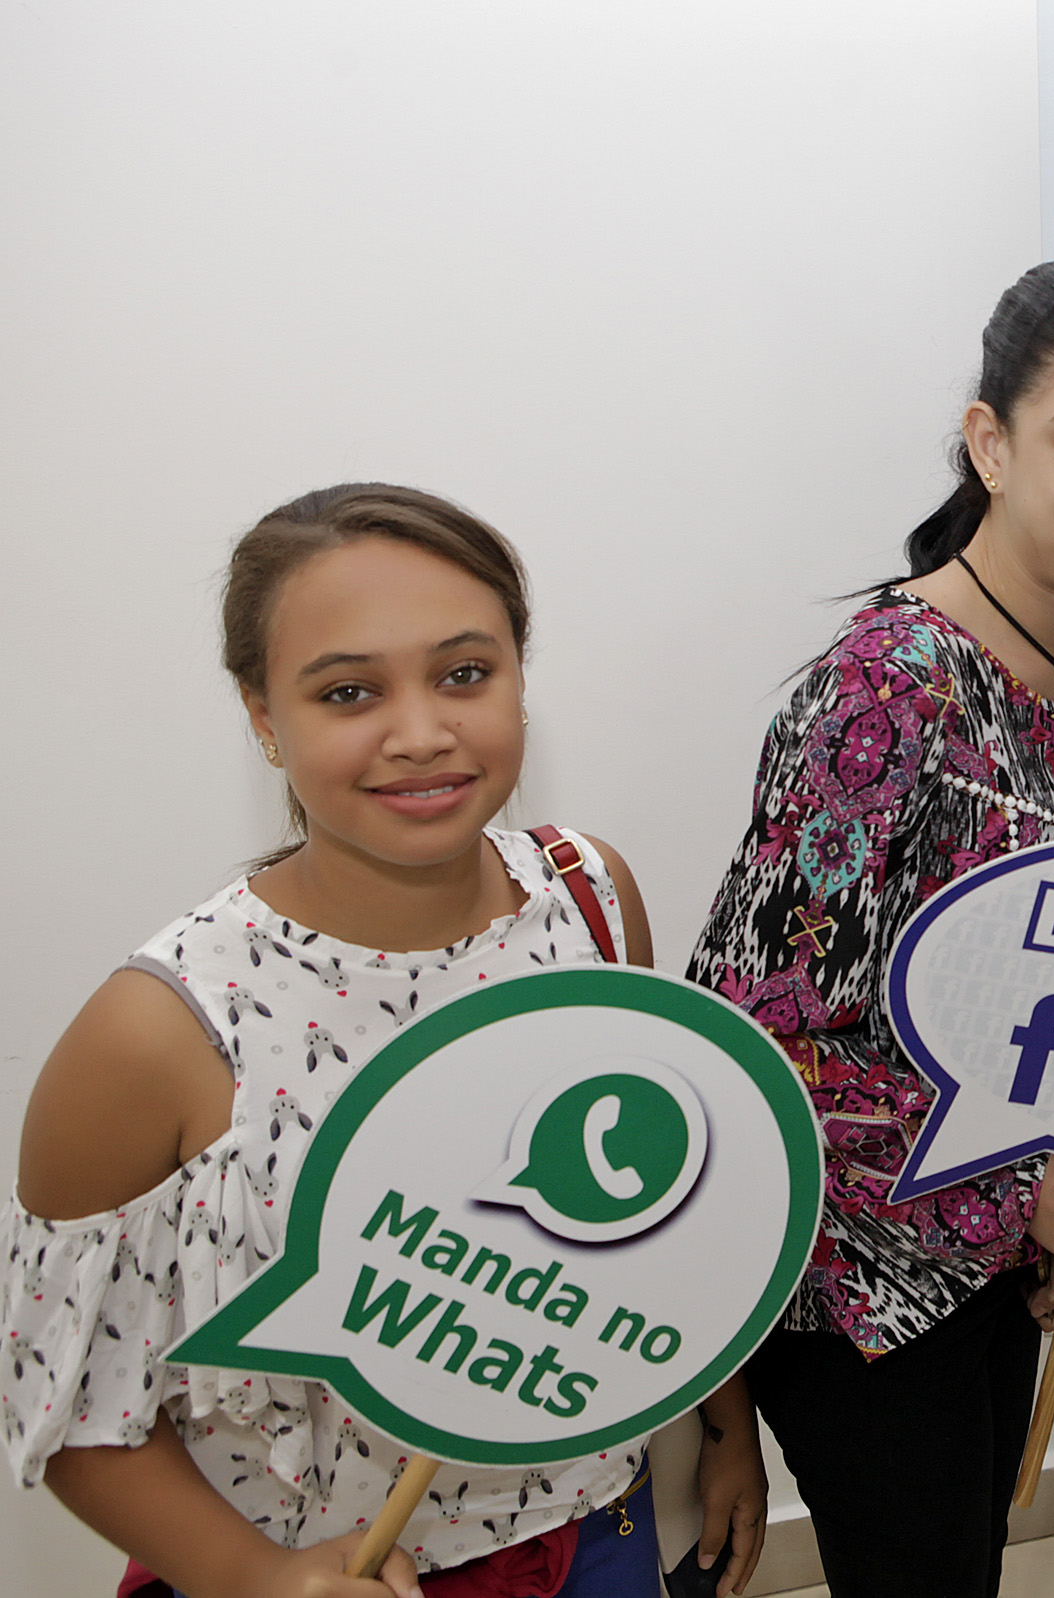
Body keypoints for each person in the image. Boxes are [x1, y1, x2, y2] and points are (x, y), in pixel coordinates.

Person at [3, 484, 768, 1598]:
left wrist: (726, 1426)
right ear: (263, 715)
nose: (420, 734)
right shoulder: (161, 1030)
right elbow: (68, 1400)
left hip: (600, 1527)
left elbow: (654, 1218)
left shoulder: (589, 897)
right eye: (349, 691)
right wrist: (253, 1576)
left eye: (465, 673)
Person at [685, 255, 1054, 1598]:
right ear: (991, 443)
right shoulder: (881, 693)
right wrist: (1024, 1187)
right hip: (853, 1291)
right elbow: (755, 1058)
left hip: (983, 1258)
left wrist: (1043, 1203)